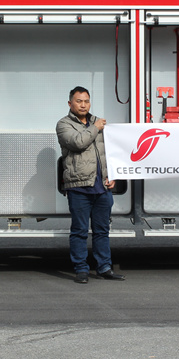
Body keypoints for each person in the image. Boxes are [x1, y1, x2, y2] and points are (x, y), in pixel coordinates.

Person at [56, 86, 125, 284]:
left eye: (86, 101)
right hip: (78, 187)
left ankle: (104, 267)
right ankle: (81, 269)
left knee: (102, 230)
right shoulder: (64, 124)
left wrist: (111, 175)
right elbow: (78, 143)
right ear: (70, 103)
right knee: (79, 230)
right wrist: (95, 128)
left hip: (102, 187)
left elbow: (108, 152)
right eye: (79, 101)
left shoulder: (97, 122)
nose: (83, 104)